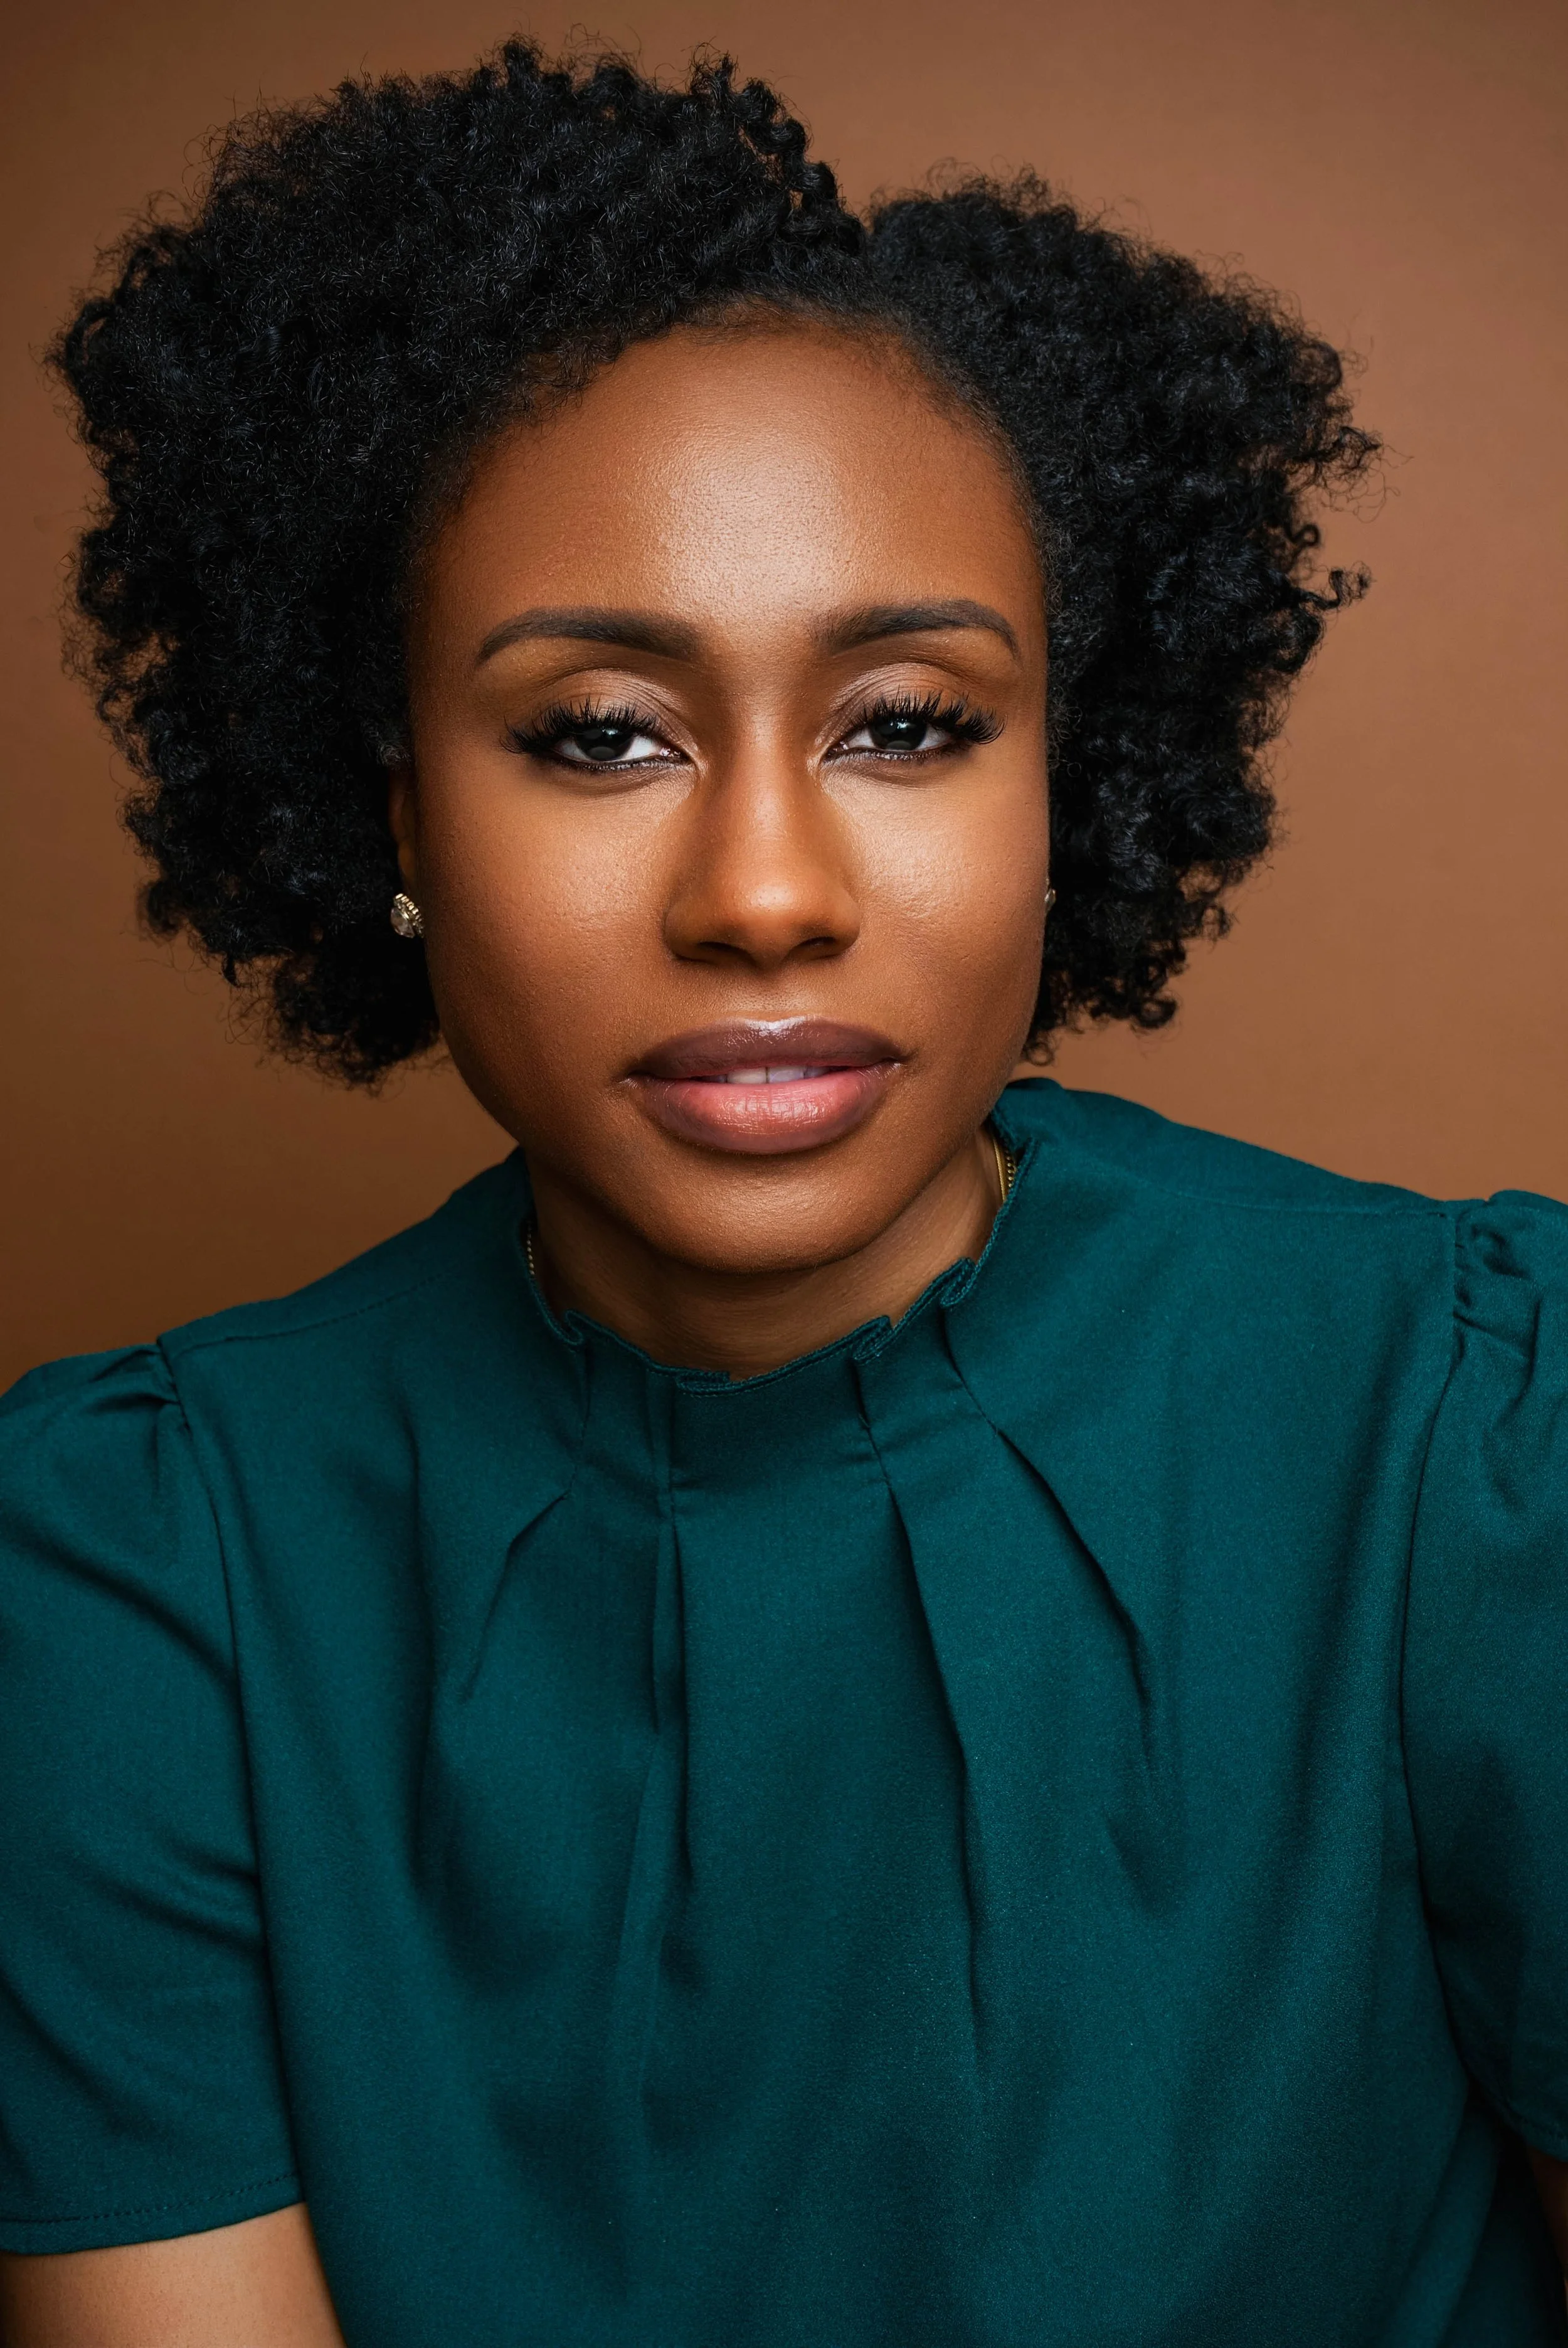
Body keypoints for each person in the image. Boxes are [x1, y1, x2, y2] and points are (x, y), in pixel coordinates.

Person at [1, 39, 1564, 2348]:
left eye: (909, 723)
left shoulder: (1463, 1450)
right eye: (597, 732)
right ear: (395, 810)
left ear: (1076, 772)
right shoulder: (136, 1581)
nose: (761, 891)